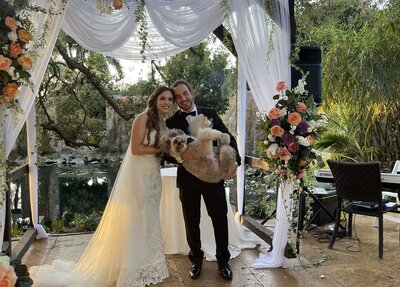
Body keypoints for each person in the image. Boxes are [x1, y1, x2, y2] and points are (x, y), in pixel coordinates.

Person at [30, 86, 174, 287]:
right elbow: (135, 148)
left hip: (153, 175)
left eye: (170, 99)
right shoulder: (142, 118)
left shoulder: (162, 121)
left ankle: (147, 263)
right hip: (138, 175)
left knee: (149, 217)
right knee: (136, 218)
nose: (167, 102)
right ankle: (131, 267)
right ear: (155, 100)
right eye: (163, 99)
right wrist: (163, 147)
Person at [165, 79, 241, 281]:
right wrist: (181, 156)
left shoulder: (211, 113)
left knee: (220, 218)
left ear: (191, 92)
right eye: (178, 97)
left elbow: (229, 138)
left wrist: (235, 162)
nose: (183, 99)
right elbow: (165, 153)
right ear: (175, 101)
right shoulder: (171, 123)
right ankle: (196, 261)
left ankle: (223, 261)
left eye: (185, 93)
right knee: (192, 221)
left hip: (214, 177)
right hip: (187, 180)